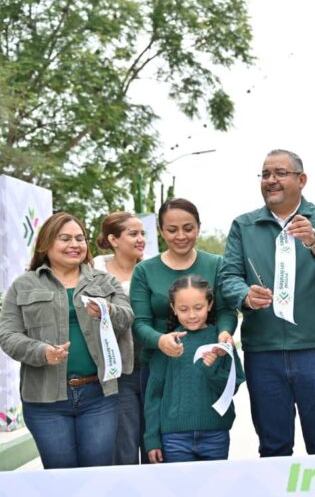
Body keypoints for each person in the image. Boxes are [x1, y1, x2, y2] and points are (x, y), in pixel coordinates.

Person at [220, 149, 315, 457]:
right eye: (265, 174)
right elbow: (227, 278)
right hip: (264, 353)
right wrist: (245, 296)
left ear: (301, 180)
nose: (271, 180)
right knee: (273, 448)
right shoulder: (244, 225)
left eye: (280, 173)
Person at [0, 212, 134, 468]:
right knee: (60, 476)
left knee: (97, 473)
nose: (75, 244)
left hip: (99, 395)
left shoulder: (105, 281)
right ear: (46, 244)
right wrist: (41, 352)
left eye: (80, 238)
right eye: (65, 239)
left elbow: (127, 318)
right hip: (44, 400)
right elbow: (7, 335)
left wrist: (109, 311)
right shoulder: (23, 285)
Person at [130, 199, 237, 457]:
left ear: (199, 227)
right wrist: (160, 341)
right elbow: (139, 322)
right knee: (163, 452)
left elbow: (225, 310)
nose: (181, 236)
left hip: (206, 364)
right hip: (163, 364)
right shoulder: (145, 270)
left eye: (188, 228)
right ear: (160, 230)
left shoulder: (216, 264)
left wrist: (224, 333)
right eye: (172, 229)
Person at [144, 275, 245, 462]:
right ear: (173, 308)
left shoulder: (221, 340)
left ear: (210, 304)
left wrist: (212, 369)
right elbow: (154, 394)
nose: (191, 315)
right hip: (174, 438)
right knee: (179, 490)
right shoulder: (168, 343)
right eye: (183, 309)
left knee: (215, 489)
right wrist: (151, 439)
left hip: (216, 434)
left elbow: (233, 387)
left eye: (198, 308)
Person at [94, 211, 147, 464]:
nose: (141, 239)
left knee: (155, 444)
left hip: (153, 365)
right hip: (118, 371)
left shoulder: (152, 270)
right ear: (113, 240)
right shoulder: (92, 273)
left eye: (143, 234)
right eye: (133, 233)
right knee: (124, 444)